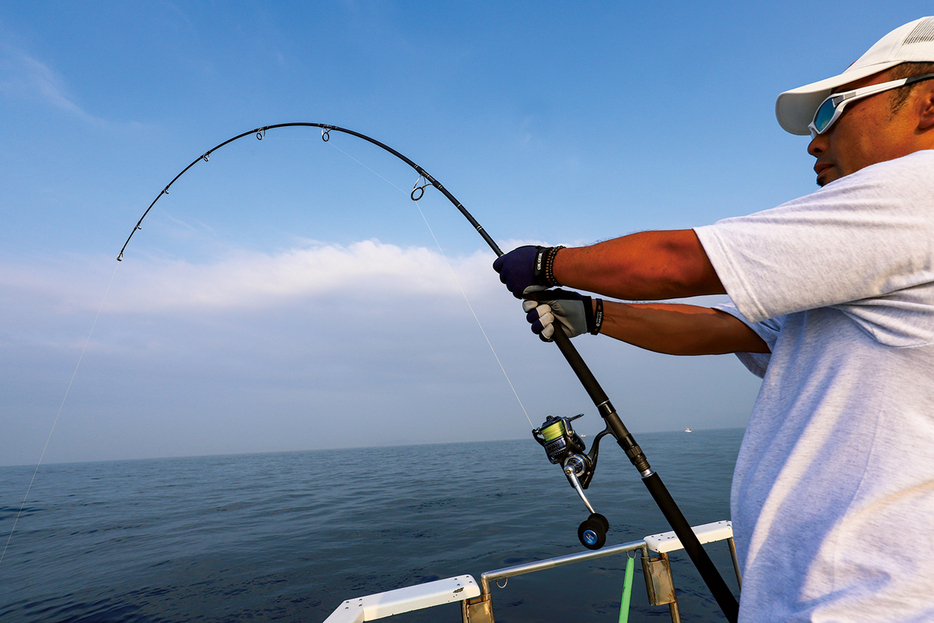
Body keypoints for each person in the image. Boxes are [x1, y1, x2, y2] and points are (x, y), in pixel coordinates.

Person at [493, 17, 934, 623]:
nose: (814, 141)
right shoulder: (881, 261)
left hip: (874, 601)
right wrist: (594, 314)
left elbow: (679, 262)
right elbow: (728, 327)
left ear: (929, 104)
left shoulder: (918, 190)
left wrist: (549, 261)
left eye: (832, 111)